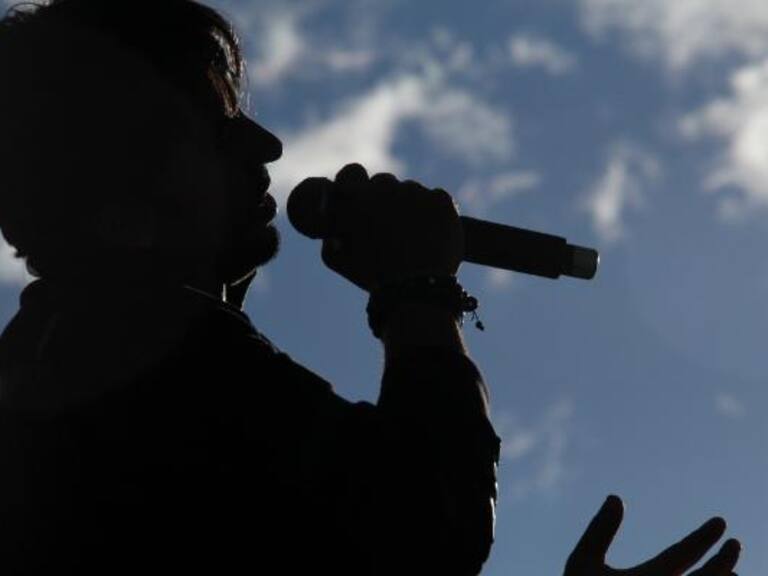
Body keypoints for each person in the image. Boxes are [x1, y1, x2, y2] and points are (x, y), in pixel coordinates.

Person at [0, 1, 741, 575]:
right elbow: (428, 529)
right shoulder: (152, 358)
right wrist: (415, 288)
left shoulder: (61, 362)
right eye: (215, 130)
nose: (266, 145)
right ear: (118, 209)